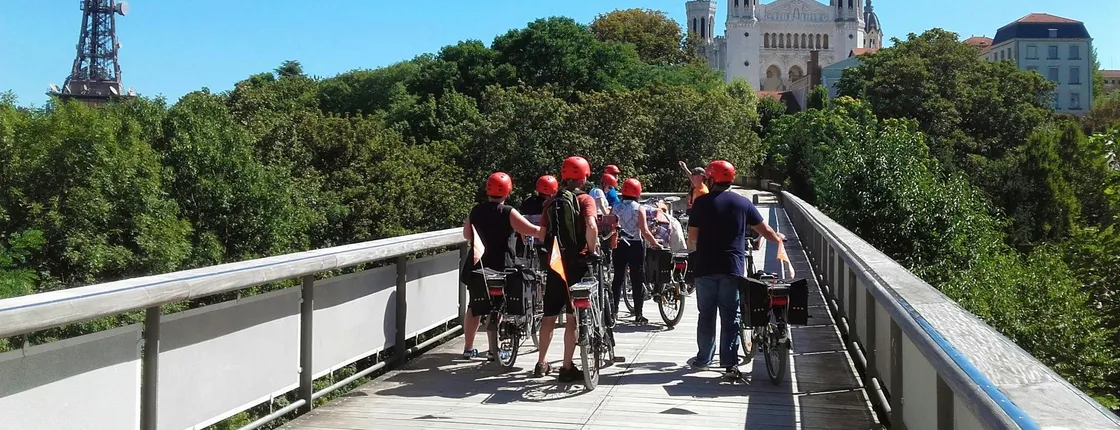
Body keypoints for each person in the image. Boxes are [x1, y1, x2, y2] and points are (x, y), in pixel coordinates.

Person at [686, 160, 784, 379]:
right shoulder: (743, 203)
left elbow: (692, 238)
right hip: (732, 267)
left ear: (710, 179)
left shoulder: (701, 203)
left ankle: (703, 359)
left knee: (707, 314)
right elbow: (765, 230)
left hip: (705, 268)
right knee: (731, 316)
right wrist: (778, 240)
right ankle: (730, 364)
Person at [461, 172, 543, 360]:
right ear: (508, 190)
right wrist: (544, 231)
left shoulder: (476, 211)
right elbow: (529, 229)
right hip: (501, 265)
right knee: (497, 305)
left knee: (475, 306)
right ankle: (492, 350)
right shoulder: (507, 212)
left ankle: (468, 348)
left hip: (478, 265)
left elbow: (467, 235)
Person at [535, 156, 600, 381]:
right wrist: (592, 250)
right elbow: (591, 226)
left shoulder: (551, 201)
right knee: (573, 317)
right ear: (583, 176)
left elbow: (543, 234)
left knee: (549, 316)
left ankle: (541, 362)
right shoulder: (585, 200)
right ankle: (566, 366)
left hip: (555, 263)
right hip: (578, 263)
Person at [611, 178, 660, 324]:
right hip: (635, 245)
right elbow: (644, 230)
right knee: (637, 279)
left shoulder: (615, 207)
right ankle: (638, 314)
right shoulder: (639, 208)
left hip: (619, 244)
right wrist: (655, 243)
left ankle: (614, 311)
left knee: (618, 278)